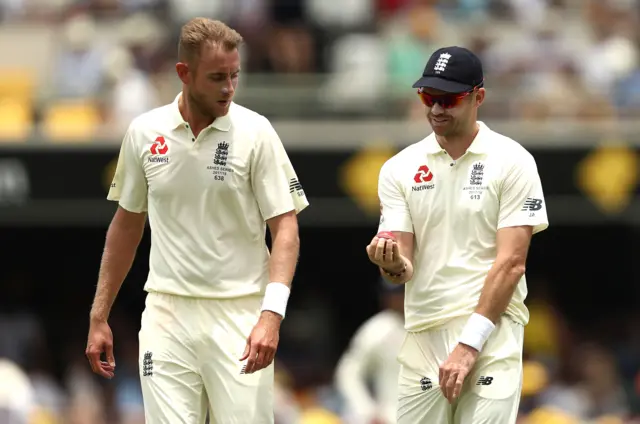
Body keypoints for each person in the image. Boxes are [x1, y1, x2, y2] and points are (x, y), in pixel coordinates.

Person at [85, 18, 309, 424]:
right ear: (183, 74)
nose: (228, 87)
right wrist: (99, 315)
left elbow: (286, 227)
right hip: (167, 315)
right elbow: (126, 225)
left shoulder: (256, 133)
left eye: (234, 76)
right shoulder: (143, 132)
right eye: (217, 77)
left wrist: (271, 316)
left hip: (241, 317)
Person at [366, 46, 549, 424]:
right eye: (428, 97)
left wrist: (469, 345)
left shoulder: (513, 161)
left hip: (491, 335)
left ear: (478, 97)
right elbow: (402, 269)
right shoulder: (398, 169)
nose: (435, 109)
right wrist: (391, 263)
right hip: (423, 335)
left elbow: (512, 263)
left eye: (448, 99)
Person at [335, 279, 404, 424]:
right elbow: (348, 373)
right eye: (391, 294)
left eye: (399, 293)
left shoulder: (433, 323)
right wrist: (367, 411)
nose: (395, 299)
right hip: (391, 416)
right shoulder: (378, 329)